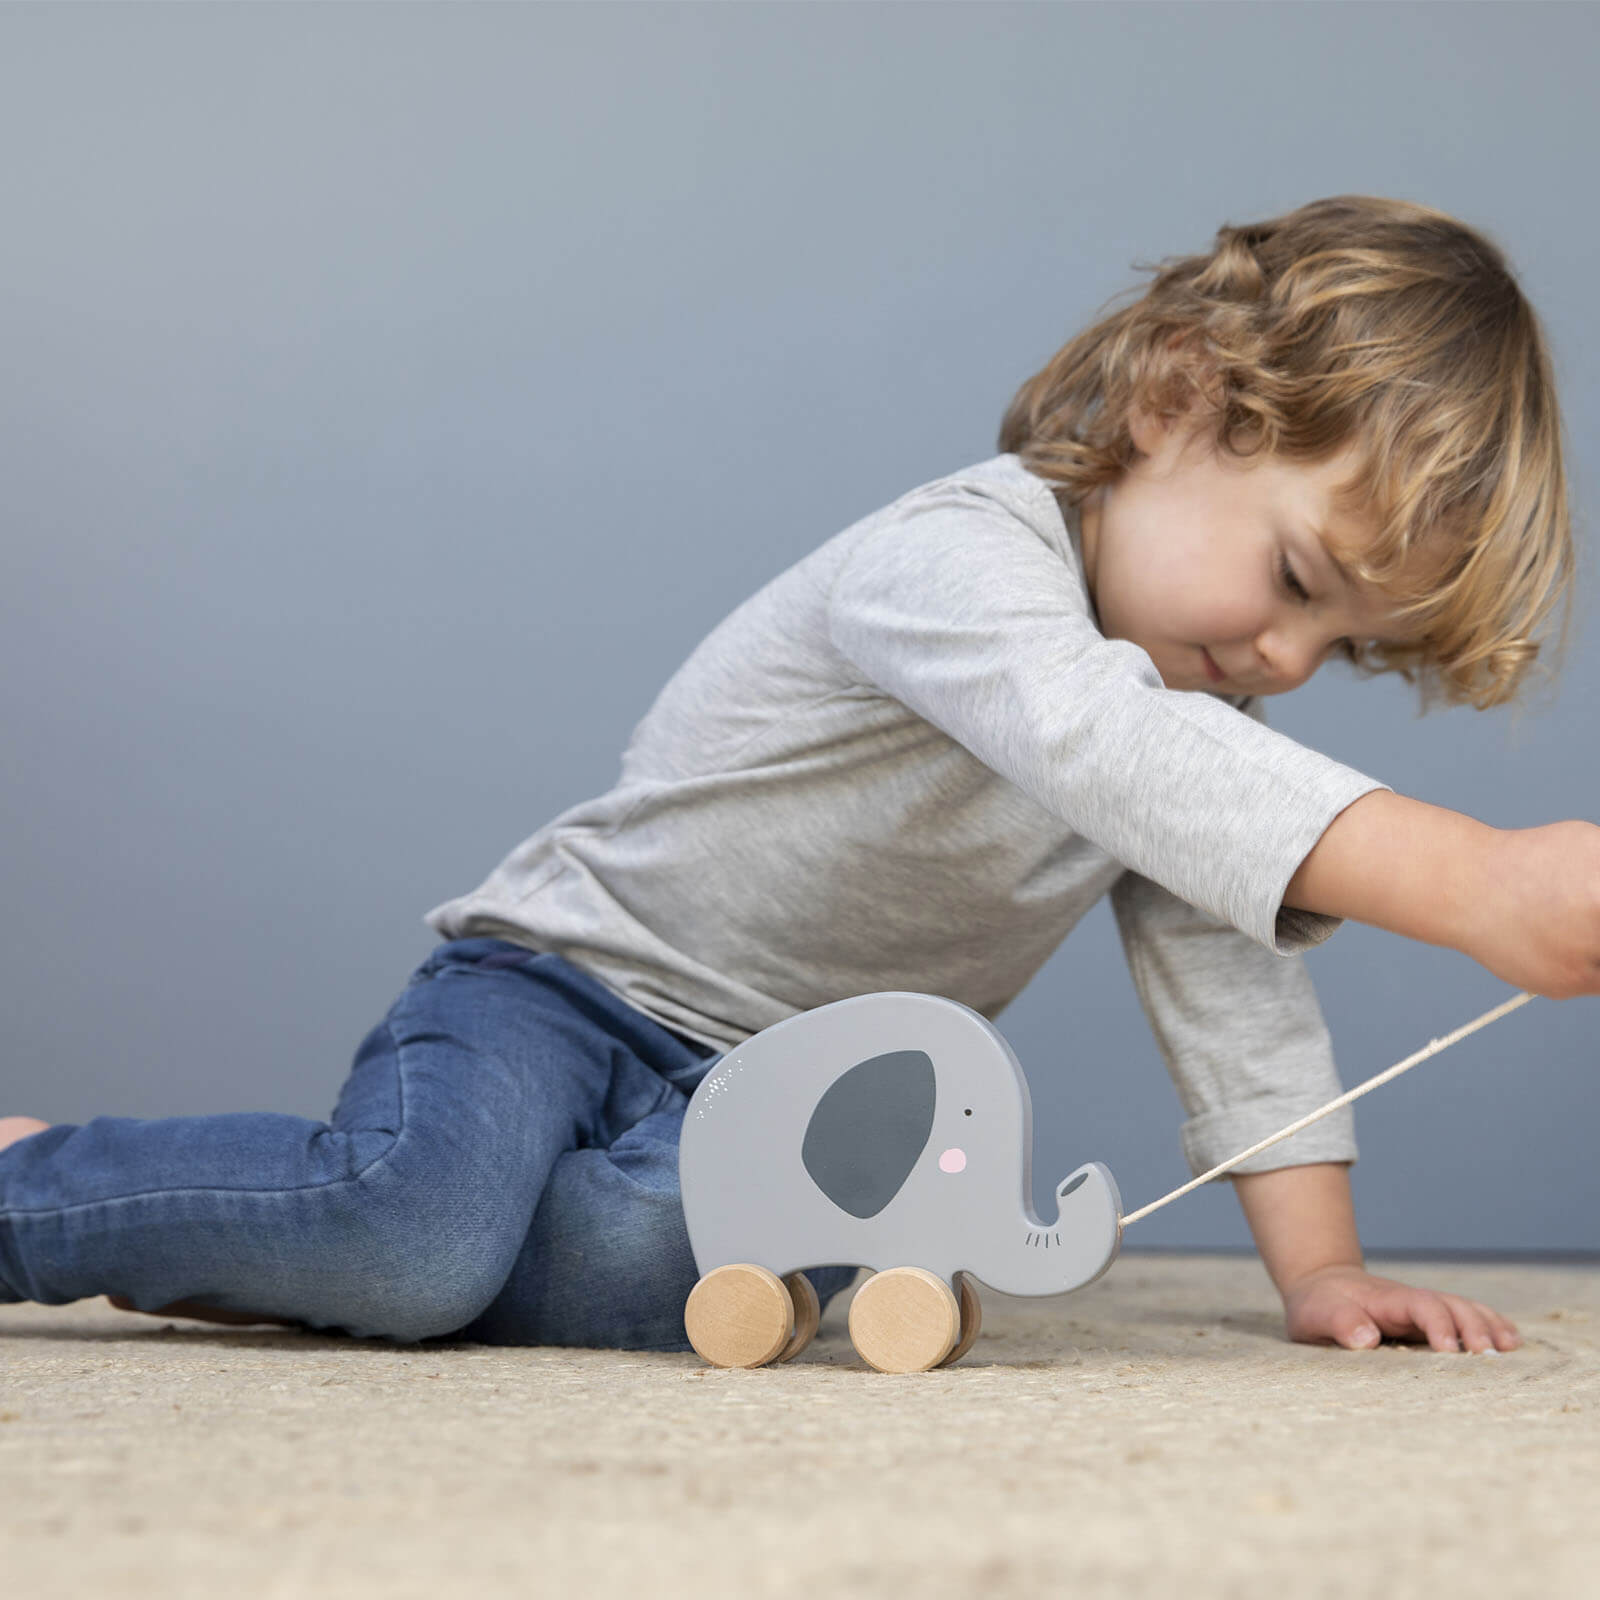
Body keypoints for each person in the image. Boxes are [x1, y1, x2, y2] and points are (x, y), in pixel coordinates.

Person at [2, 194, 1588, 1358]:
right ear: (1177, 396)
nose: (1289, 660)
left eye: (1346, 649)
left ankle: (314, 1253)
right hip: (560, 994)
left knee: (666, 1269)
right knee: (422, 1237)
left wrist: (1322, 1273)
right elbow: (1092, 737)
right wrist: (1475, 880)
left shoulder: (1193, 732)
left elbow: (1236, 984)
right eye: (1299, 581)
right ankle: (45, 1189)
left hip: (775, 1099)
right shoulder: (960, 563)